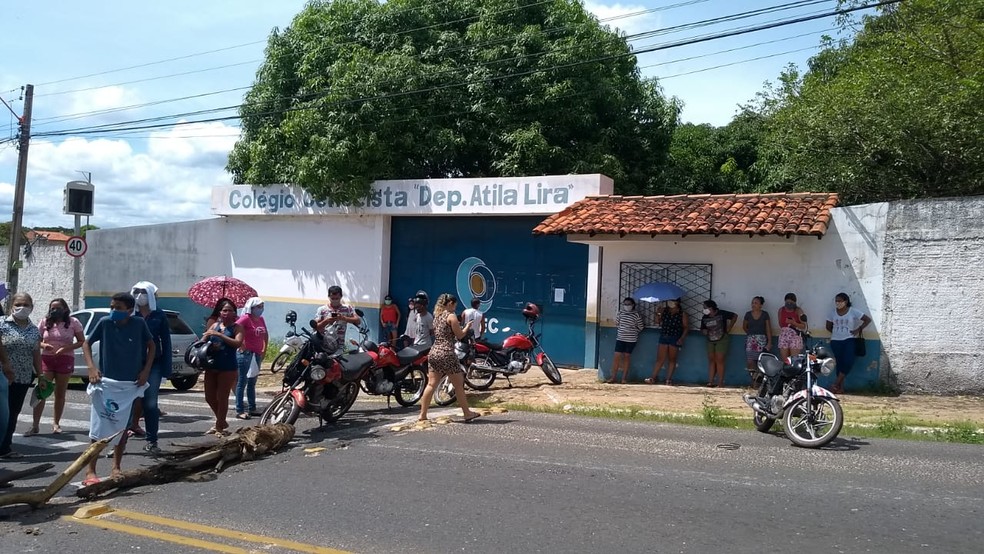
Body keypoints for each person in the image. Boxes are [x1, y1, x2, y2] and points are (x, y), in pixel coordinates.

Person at [82, 292, 154, 484]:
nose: (114, 311)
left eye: (119, 308)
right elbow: (86, 343)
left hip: (129, 384)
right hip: (105, 382)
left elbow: (152, 345)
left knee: (122, 427)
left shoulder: (139, 324)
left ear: (130, 311)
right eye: (112, 307)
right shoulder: (105, 323)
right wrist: (91, 367)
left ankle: (116, 467)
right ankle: (91, 470)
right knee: (99, 426)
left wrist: (146, 370)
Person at [418, 294, 481, 423]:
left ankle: (422, 414)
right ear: (450, 303)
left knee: (431, 384)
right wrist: (467, 327)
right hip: (447, 353)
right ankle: (467, 413)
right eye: (454, 304)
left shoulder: (437, 317)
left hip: (434, 352)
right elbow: (460, 335)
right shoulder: (451, 316)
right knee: (458, 385)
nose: (455, 307)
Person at [125, 282, 171, 455]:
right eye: (136, 291)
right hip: (131, 363)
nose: (139, 295)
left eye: (143, 292)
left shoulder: (159, 315)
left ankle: (152, 440)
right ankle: (118, 442)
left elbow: (165, 341)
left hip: (154, 364)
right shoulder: (130, 314)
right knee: (126, 403)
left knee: (150, 404)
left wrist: (167, 369)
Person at [32, 298, 85, 435]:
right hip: (47, 359)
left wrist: (66, 348)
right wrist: (44, 345)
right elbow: (36, 340)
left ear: (65, 309)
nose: (55, 310)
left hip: (65, 359)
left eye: (58, 308)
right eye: (52, 308)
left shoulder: (73, 322)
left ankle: (56, 423)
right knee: (41, 391)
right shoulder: (44, 322)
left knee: (60, 393)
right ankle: (35, 425)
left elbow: (81, 341)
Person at [0, 292, 42, 458]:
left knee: (13, 412)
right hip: (3, 376)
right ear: (12, 306)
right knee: (2, 412)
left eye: (26, 304)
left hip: (23, 377)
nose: (22, 308)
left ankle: (5, 448)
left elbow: (36, 353)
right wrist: (6, 365)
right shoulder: (2, 324)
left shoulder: (33, 330)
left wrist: (41, 375)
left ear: (31, 307)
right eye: (18, 304)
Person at [201, 298, 244, 435]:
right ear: (220, 312)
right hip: (212, 365)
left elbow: (237, 343)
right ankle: (222, 420)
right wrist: (206, 340)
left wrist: (220, 335)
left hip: (228, 367)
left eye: (230, 310)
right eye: (224, 310)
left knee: (222, 396)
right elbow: (203, 340)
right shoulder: (214, 326)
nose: (227, 313)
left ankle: (219, 426)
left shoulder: (237, 327)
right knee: (210, 397)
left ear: (234, 313)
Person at [826, 292, 872, 394]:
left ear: (845, 301)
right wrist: (836, 333)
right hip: (835, 341)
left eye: (840, 301)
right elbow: (828, 326)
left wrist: (858, 329)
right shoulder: (832, 313)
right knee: (840, 363)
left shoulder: (853, 311)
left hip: (849, 339)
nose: (838, 303)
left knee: (848, 361)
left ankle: (835, 383)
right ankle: (840, 388)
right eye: (836, 301)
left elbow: (867, 320)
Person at [235, 297, 267, 420]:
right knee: (242, 381)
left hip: (257, 354)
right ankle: (240, 409)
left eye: (262, 306)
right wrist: (241, 344)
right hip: (246, 354)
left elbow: (265, 334)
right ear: (251, 308)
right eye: (258, 307)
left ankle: (252, 407)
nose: (261, 309)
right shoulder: (245, 319)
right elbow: (235, 329)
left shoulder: (261, 319)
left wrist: (264, 348)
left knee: (252, 382)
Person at [646, 297, 688, 385]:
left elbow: (686, 327)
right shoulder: (665, 311)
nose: (670, 303)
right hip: (664, 336)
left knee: (672, 359)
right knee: (660, 358)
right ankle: (653, 377)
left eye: (672, 301)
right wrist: (658, 313)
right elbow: (657, 322)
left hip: (675, 337)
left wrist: (682, 338)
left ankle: (668, 379)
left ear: (677, 303)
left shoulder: (682, 314)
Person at [700, 300, 737, 388]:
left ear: (711, 307)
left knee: (719, 359)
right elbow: (702, 328)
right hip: (710, 339)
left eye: (705, 307)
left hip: (722, 338)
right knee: (712, 359)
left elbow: (734, 316)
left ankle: (720, 382)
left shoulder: (721, 313)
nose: (704, 309)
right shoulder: (705, 317)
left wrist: (729, 327)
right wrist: (703, 331)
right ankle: (711, 381)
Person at [315, 285, 362, 350]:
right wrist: (327, 321)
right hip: (324, 344)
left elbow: (358, 321)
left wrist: (343, 318)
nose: (334, 301)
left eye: (337, 298)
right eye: (332, 298)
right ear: (329, 297)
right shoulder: (322, 310)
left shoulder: (347, 308)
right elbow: (316, 327)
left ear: (341, 297)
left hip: (340, 345)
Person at [609, 297, 644, 384]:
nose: (627, 306)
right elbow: (617, 323)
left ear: (633, 305)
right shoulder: (620, 313)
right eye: (625, 304)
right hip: (620, 338)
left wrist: (633, 332)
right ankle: (613, 377)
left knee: (627, 357)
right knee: (616, 356)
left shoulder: (636, 315)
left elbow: (641, 327)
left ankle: (624, 378)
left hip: (631, 339)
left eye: (629, 304)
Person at [743, 296, 773, 387]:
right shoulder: (748, 314)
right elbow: (744, 327)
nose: (753, 305)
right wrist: (751, 335)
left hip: (762, 340)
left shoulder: (765, 314)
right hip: (751, 340)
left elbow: (768, 329)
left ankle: (759, 383)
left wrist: (769, 342)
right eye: (752, 303)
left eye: (756, 303)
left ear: (761, 305)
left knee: (761, 362)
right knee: (750, 361)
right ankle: (753, 381)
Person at [777, 293, 807, 360]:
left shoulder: (798, 310)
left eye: (791, 302)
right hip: (784, 336)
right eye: (787, 302)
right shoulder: (781, 310)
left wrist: (793, 323)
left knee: (794, 360)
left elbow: (803, 326)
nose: (789, 304)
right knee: (785, 360)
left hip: (795, 335)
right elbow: (780, 324)